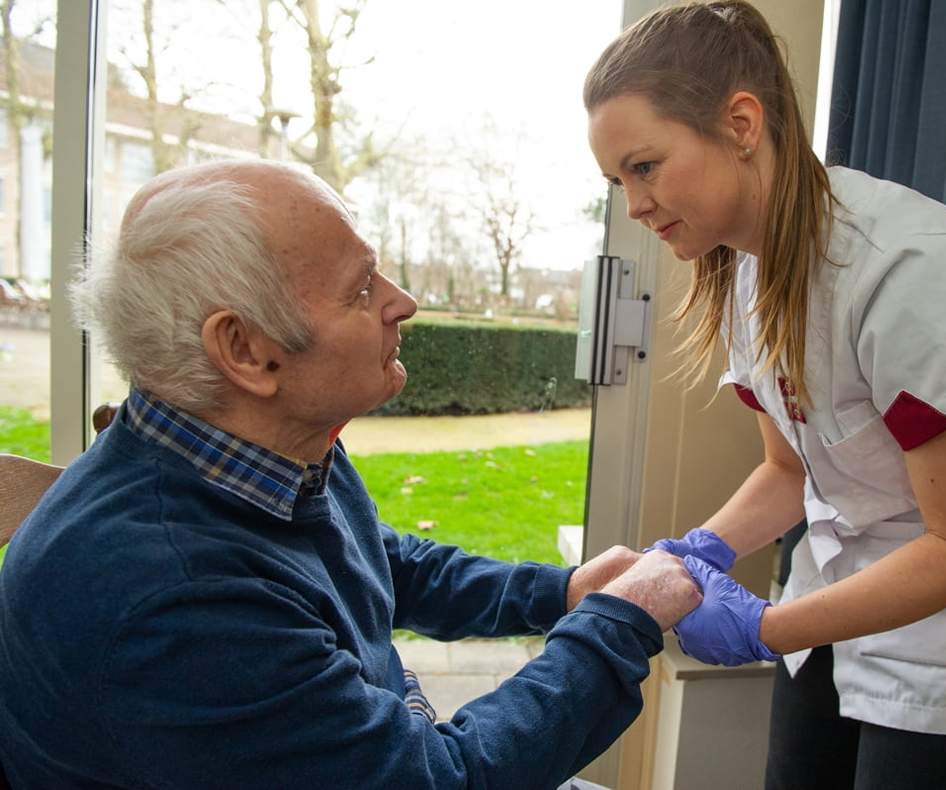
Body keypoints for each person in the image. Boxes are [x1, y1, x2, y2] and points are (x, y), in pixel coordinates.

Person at [0, 160, 702, 789]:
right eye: (361, 288)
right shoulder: (176, 604)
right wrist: (619, 622)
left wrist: (559, 591)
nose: (402, 301)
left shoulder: (258, 446)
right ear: (246, 349)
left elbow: (369, 559)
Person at [584, 2, 946, 788]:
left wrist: (765, 627)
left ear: (743, 123)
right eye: (617, 179)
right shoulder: (747, 271)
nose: (634, 204)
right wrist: (700, 549)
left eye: (644, 167)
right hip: (842, 585)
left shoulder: (918, 273)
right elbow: (789, 472)